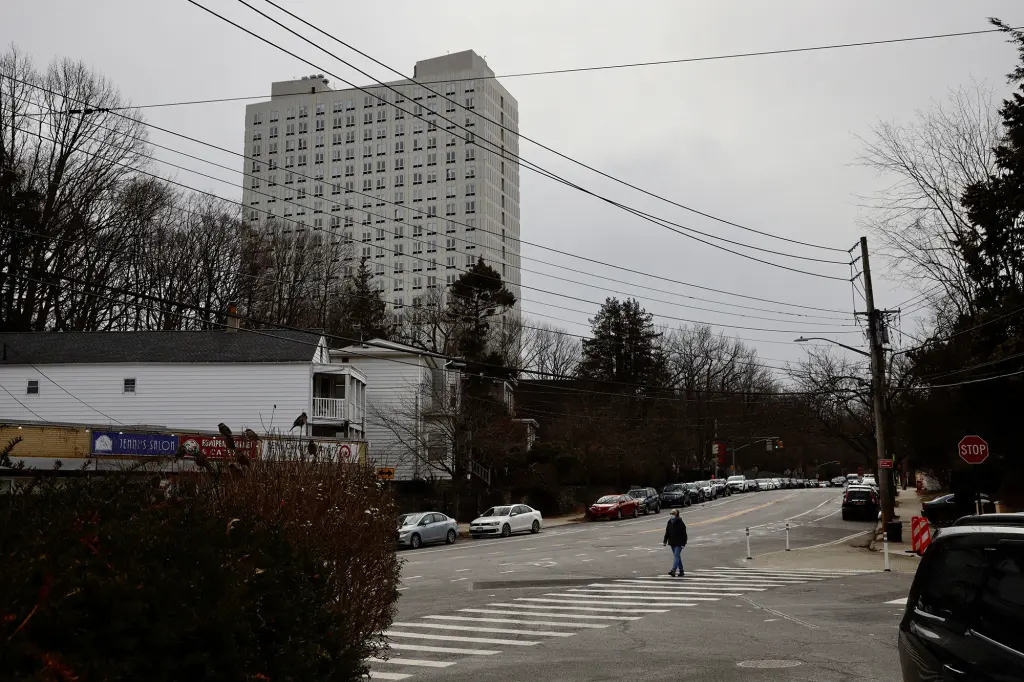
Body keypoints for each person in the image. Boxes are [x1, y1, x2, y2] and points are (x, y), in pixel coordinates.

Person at [663, 508, 687, 577]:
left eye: (673, 514)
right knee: (677, 556)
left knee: (676, 555)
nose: (671, 515)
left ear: (676, 515)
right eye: (671, 514)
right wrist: (665, 541)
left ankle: (673, 570)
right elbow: (667, 532)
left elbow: (684, 534)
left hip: (679, 542)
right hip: (672, 542)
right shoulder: (669, 522)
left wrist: (683, 543)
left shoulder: (680, 522)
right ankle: (681, 570)